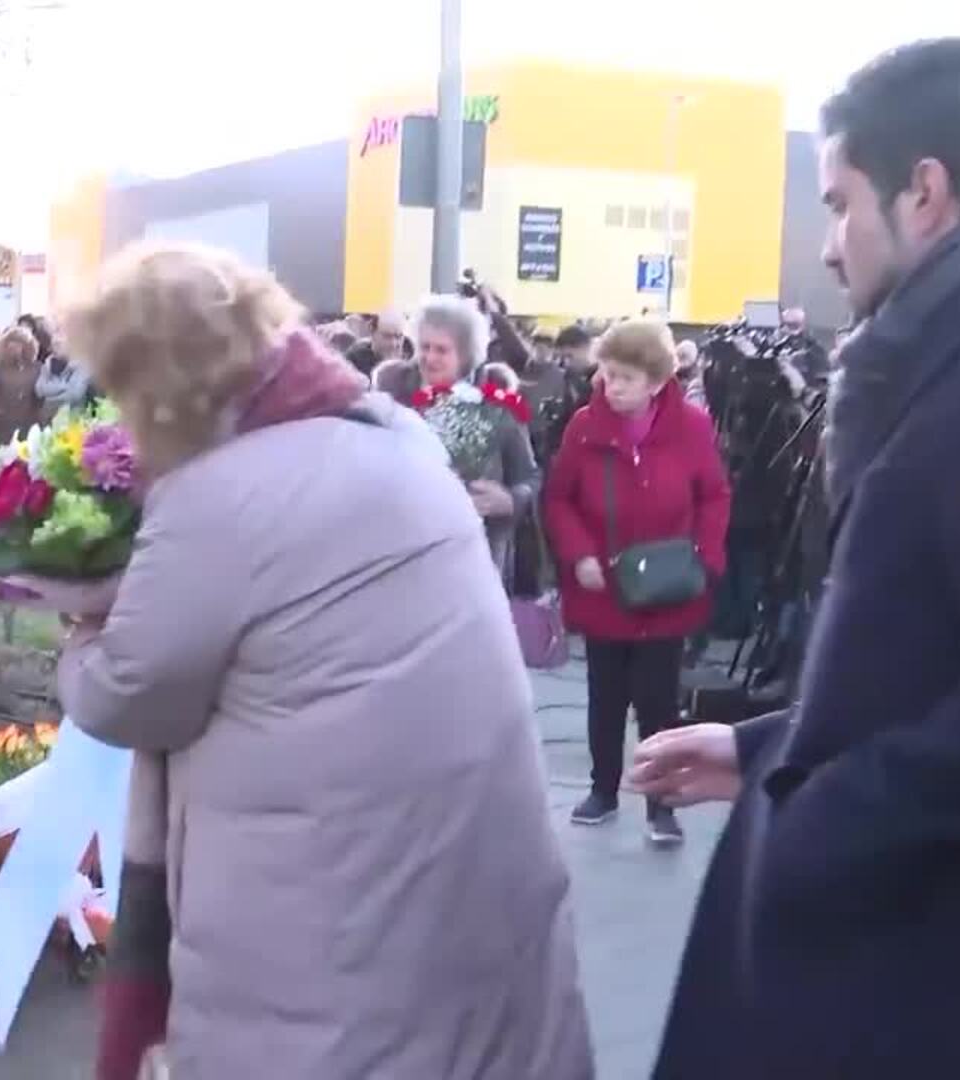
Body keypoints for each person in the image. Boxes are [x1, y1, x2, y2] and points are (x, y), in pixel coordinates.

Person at [63, 244, 592, 1080]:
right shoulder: (397, 436)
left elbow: (128, 694)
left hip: (322, 941)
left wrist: (80, 627)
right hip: (472, 911)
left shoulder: (215, 497)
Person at [631, 39, 960, 1079]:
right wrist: (768, 752)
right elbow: (930, 653)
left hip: (930, 966)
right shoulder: (948, 355)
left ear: (924, 192)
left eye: (839, 200)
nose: (833, 245)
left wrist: (834, 810)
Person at [540, 320, 729, 844]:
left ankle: (660, 803)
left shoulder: (690, 426)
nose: (610, 384)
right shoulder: (584, 426)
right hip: (604, 587)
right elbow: (559, 499)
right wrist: (578, 554)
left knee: (659, 703)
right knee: (604, 695)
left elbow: (714, 493)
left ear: (655, 380)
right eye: (606, 373)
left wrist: (706, 556)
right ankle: (603, 788)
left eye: (624, 376)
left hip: (667, 587)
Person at [409, 295, 539, 575]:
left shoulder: (498, 408)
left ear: (465, 355)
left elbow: (530, 477)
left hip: (478, 559)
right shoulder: (395, 400)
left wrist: (510, 500)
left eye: (442, 350)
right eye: (425, 347)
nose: (430, 358)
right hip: (407, 557)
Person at [0, 325, 42, 445]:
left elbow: (41, 394)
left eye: (19, 344)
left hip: (28, 421)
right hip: (4, 422)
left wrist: (37, 412)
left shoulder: (37, 368)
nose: (15, 348)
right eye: (11, 343)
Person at [34, 332, 91, 421]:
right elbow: (39, 389)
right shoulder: (48, 363)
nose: (55, 348)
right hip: (50, 417)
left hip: (73, 416)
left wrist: (50, 399)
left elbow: (75, 394)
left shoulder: (81, 365)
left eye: (59, 345)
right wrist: (64, 386)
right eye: (54, 345)